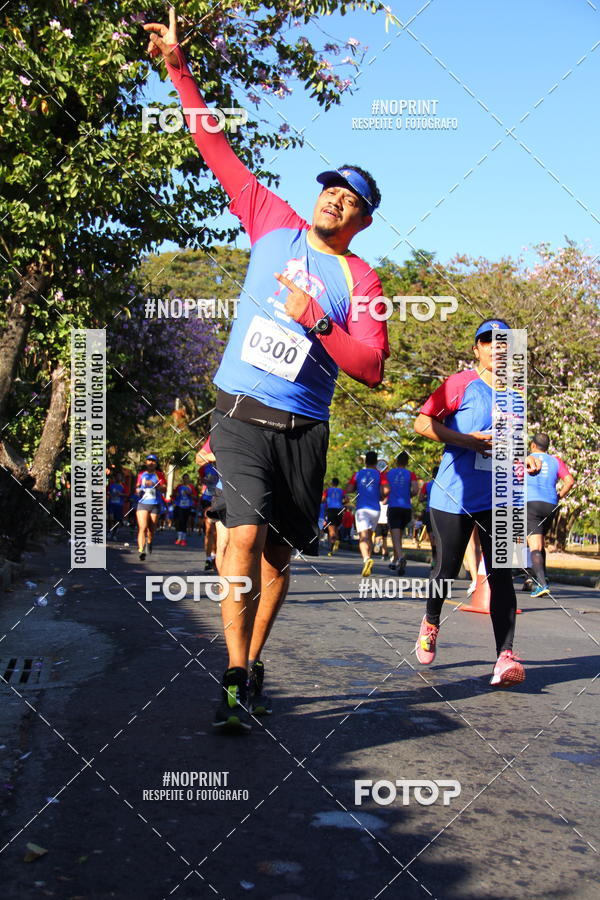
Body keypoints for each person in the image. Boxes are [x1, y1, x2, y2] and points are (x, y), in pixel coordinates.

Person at [145, 10, 388, 732]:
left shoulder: (362, 279)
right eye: (330, 188)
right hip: (242, 410)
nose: (334, 198)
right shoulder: (272, 221)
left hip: (305, 427)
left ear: (362, 219)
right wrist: (181, 70)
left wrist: (315, 318)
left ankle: (252, 664)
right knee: (243, 540)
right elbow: (215, 146)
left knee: (278, 560)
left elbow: (371, 367)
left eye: (350, 198)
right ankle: (229, 673)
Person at [412, 319, 541, 687]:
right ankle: (432, 621)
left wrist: (526, 458)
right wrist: (465, 440)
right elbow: (422, 424)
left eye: (504, 343)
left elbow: (510, 443)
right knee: (446, 570)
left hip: (500, 497)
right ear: (477, 350)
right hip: (454, 495)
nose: (497, 348)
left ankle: (505, 656)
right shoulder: (460, 384)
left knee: (502, 574)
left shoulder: (516, 396)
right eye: (488, 342)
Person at [526, 432, 575, 597]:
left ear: (533, 445)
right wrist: (558, 496)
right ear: (547, 447)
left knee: (534, 546)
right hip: (550, 504)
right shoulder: (556, 460)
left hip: (531, 503)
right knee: (539, 543)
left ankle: (541, 584)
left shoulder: (526, 459)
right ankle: (538, 576)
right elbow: (570, 481)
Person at [347, 452, 386, 577]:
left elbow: (349, 489)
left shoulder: (358, 474)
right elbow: (386, 490)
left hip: (362, 509)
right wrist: (380, 494)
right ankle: (369, 557)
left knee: (363, 537)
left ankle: (366, 559)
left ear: (365, 462)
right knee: (369, 536)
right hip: (375, 509)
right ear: (376, 461)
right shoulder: (380, 475)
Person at [383, 451, 418, 573]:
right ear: (407, 462)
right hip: (406, 508)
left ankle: (401, 557)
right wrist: (408, 494)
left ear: (397, 461)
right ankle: (395, 561)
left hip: (394, 507)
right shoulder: (410, 474)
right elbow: (415, 490)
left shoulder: (389, 474)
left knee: (395, 536)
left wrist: (383, 496)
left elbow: (385, 489)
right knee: (398, 535)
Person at [135, 454, 166, 561]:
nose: (151, 463)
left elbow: (164, 489)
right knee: (142, 527)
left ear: (156, 464)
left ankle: (149, 542)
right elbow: (137, 487)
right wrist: (138, 490)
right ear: (146, 462)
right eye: (149, 460)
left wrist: (156, 485)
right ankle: (141, 549)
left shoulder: (159, 475)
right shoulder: (141, 475)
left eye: (153, 461)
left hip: (155, 504)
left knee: (151, 529)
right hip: (143, 503)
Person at [198, 457, 220, 571]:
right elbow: (201, 480)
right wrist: (205, 480)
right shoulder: (205, 467)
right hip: (208, 499)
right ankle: (208, 559)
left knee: (217, 533)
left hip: (221, 499)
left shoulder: (226, 463)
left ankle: (215, 556)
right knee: (209, 530)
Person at [420, 465, 439, 566]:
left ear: (432, 474)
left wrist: (427, 497)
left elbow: (420, 498)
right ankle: (440, 559)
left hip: (429, 511)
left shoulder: (427, 485)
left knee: (432, 536)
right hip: (442, 513)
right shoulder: (445, 485)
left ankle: (434, 558)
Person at [173, 474, 198, 546]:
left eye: (187, 478)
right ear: (183, 479)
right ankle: (179, 538)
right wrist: (175, 494)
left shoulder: (191, 487)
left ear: (189, 479)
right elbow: (173, 495)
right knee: (179, 521)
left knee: (185, 521)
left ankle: (183, 539)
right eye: (184, 478)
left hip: (188, 506)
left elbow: (195, 497)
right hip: (179, 505)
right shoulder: (179, 486)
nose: (185, 480)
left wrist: (189, 494)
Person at [323, 477, 345, 555]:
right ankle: (337, 541)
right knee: (336, 528)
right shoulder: (341, 491)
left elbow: (323, 499)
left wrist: (326, 501)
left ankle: (331, 549)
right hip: (339, 510)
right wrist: (341, 503)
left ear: (332, 483)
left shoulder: (328, 490)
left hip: (331, 510)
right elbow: (347, 500)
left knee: (331, 529)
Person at [107, 472, 126, 541]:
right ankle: (109, 531)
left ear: (121, 478)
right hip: (111, 504)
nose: (118, 478)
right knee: (110, 518)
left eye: (119, 477)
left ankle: (114, 534)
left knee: (116, 520)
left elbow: (127, 495)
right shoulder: (111, 485)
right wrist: (108, 494)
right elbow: (107, 493)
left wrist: (120, 494)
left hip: (119, 505)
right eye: (117, 476)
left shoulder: (123, 486)